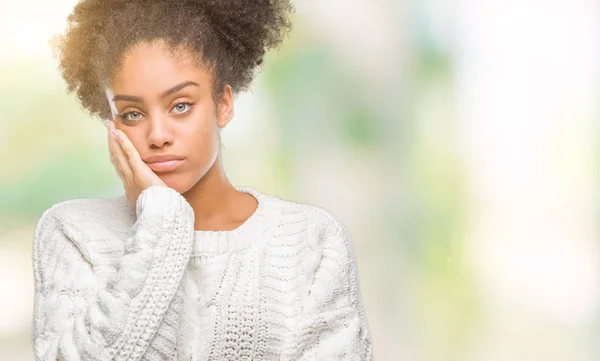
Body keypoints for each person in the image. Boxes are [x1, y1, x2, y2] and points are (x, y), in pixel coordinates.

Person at [31, 0, 373, 360]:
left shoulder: (310, 241)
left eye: (180, 105)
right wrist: (161, 222)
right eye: (132, 113)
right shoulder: (74, 233)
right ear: (112, 125)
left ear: (223, 104)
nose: (158, 135)